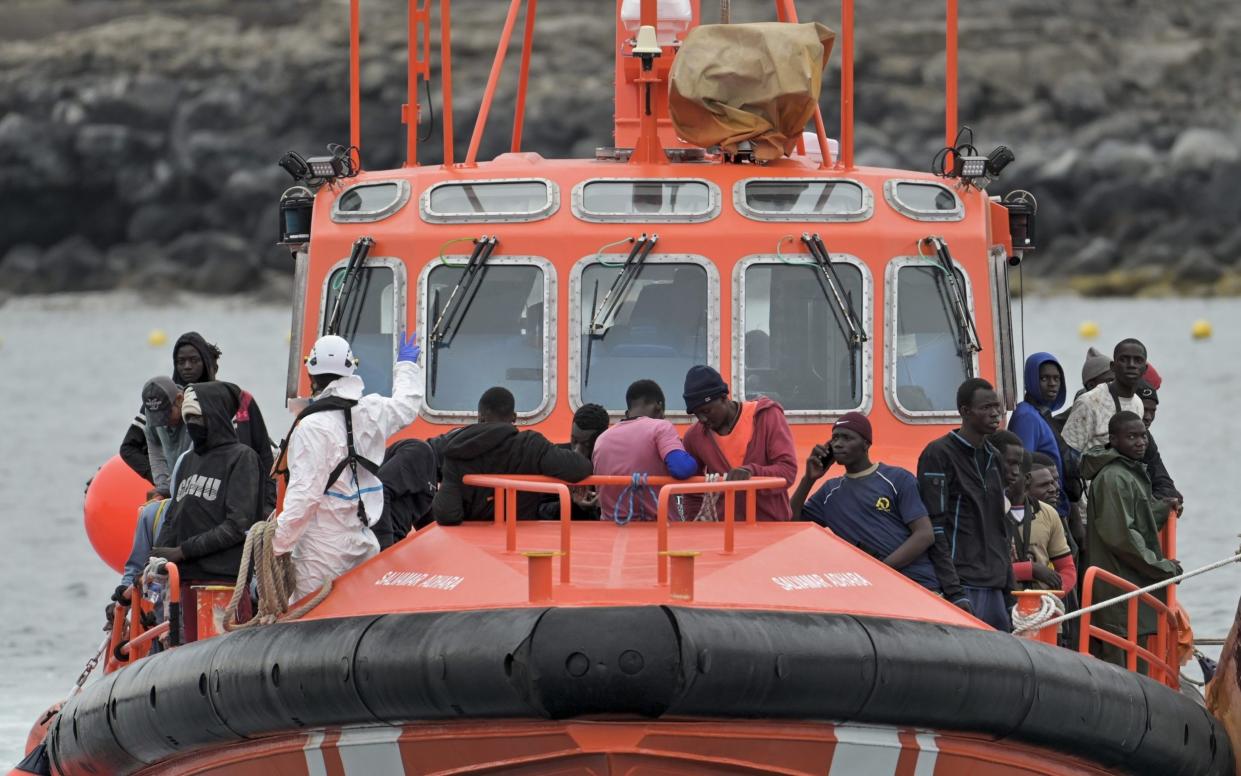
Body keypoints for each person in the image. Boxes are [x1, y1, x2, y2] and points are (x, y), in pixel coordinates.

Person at [272, 333, 423, 600]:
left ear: (311, 374)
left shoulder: (311, 427)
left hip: (320, 552)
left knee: (310, 620)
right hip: (362, 542)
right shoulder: (371, 410)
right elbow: (406, 406)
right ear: (351, 368)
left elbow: (304, 498)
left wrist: (275, 544)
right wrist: (406, 365)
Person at [152, 382, 263, 641]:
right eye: (188, 419)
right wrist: (156, 558)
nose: (192, 425)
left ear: (215, 416)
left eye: (197, 418)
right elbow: (173, 517)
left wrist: (184, 550)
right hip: (184, 583)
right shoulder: (189, 460)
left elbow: (237, 525)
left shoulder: (242, 458)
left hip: (222, 583)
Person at [792, 412, 939, 592]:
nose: (838, 444)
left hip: (918, 586)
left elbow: (924, 534)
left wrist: (880, 570)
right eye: (835, 438)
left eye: (847, 438)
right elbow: (791, 522)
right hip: (874, 591)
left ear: (866, 444)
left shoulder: (897, 478)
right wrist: (809, 479)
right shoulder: (830, 492)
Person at [1080, 411, 1182, 667]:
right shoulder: (1114, 478)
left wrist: (1163, 508)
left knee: (1137, 657)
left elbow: (1138, 517)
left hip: (1129, 586)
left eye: (1143, 436)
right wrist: (1163, 568)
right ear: (1113, 440)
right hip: (1118, 590)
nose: (1140, 442)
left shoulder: (1129, 472)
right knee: (1122, 662)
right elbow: (1122, 537)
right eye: (1132, 437)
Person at [917, 378, 1013, 630]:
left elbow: (1001, 527)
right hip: (963, 585)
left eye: (997, 407)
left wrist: (1009, 588)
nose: (995, 413)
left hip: (995, 585)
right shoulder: (938, 454)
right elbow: (934, 527)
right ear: (964, 411)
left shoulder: (995, 458)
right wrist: (954, 591)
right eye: (986, 407)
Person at [433, 386, 593, 525]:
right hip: (522, 540)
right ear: (514, 417)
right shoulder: (531, 445)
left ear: (480, 417)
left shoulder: (456, 451)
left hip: (474, 547)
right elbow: (580, 468)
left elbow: (447, 514)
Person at [681, 365, 797, 520]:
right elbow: (692, 491)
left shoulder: (767, 416)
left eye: (706, 411)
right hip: (724, 532)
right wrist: (693, 527)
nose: (702, 419)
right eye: (697, 414)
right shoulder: (694, 437)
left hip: (771, 528)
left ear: (723, 398)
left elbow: (787, 471)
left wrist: (752, 473)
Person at [591, 380, 697, 522]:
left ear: (627, 413)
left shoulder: (602, 439)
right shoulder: (660, 427)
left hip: (611, 530)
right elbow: (681, 468)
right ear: (659, 406)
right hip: (657, 531)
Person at [990, 432, 1077, 595]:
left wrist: (1054, 594)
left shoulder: (1049, 513)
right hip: (1002, 601)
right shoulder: (987, 511)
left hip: (1044, 606)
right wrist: (1030, 570)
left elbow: (1067, 568)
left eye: (1016, 471)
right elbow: (985, 570)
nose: (1009, 476)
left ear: (1027, 478)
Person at [1007, 353, 1076, 517]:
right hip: (1038, 511)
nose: (1052, 384)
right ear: (1031, 380)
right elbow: (1023, 470)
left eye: (1056, 379)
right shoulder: (1027, 417)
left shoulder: (1041, 415)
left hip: (1053, 507)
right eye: (1044, 378)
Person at [1062, 339, 1147, 456]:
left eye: (1138, 360)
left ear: (1145, 369)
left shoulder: (1138, 403)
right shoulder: (1089, 402)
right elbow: (1068, 454)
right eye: (1124, 359)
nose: (1131, 365)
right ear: (1113, 366)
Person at [536, 404, 612, 521]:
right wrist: (570, 504)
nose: (577, 450)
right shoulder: (556, 457)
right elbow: (539, 509)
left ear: (601, 441)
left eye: (586, 445)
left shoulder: (611, 463)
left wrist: (600, 506)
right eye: (574, 440)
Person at [373, 439, 439, 547]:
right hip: (375, 543)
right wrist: (386, 548)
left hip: (391, 541)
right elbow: (379, 489)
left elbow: (427, 519)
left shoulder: (429, 486)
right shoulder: (419, 453)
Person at [140, 376, 190, 500]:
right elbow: (154, 447)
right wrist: (162, 484)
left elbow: (192, 458)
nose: (163, 423)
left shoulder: (194, 414)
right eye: (157, 418)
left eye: (166, 415)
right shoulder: (151, 410)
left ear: (179, 400)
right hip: (174, 486)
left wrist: (169, 486)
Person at [1136, 380, 1183, 504]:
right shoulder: (1112, 433)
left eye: (1153, 411)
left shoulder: (1147, 438)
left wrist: (1162, 498)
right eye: (1143, 409)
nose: (1148, 417)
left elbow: (1163, 481)